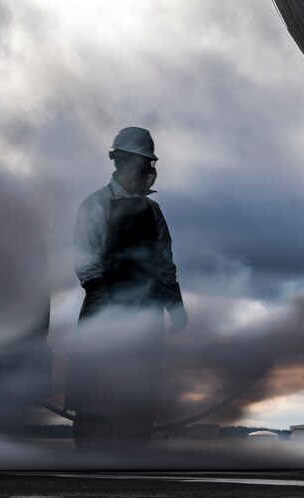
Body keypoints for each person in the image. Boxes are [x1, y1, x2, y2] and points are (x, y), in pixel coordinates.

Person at [65, 127, 187, 450]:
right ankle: (93, 466)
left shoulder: (153, 212)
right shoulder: (96, 205)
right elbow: (85, 256)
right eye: (141, 164)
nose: (147, 172)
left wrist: (175, 306)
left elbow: (164, 263)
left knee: (138, 395)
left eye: (148, 165)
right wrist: (105, 304)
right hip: (103, 310)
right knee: (95, 392)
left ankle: (134, 465)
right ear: (120, 163)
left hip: (145, 316)